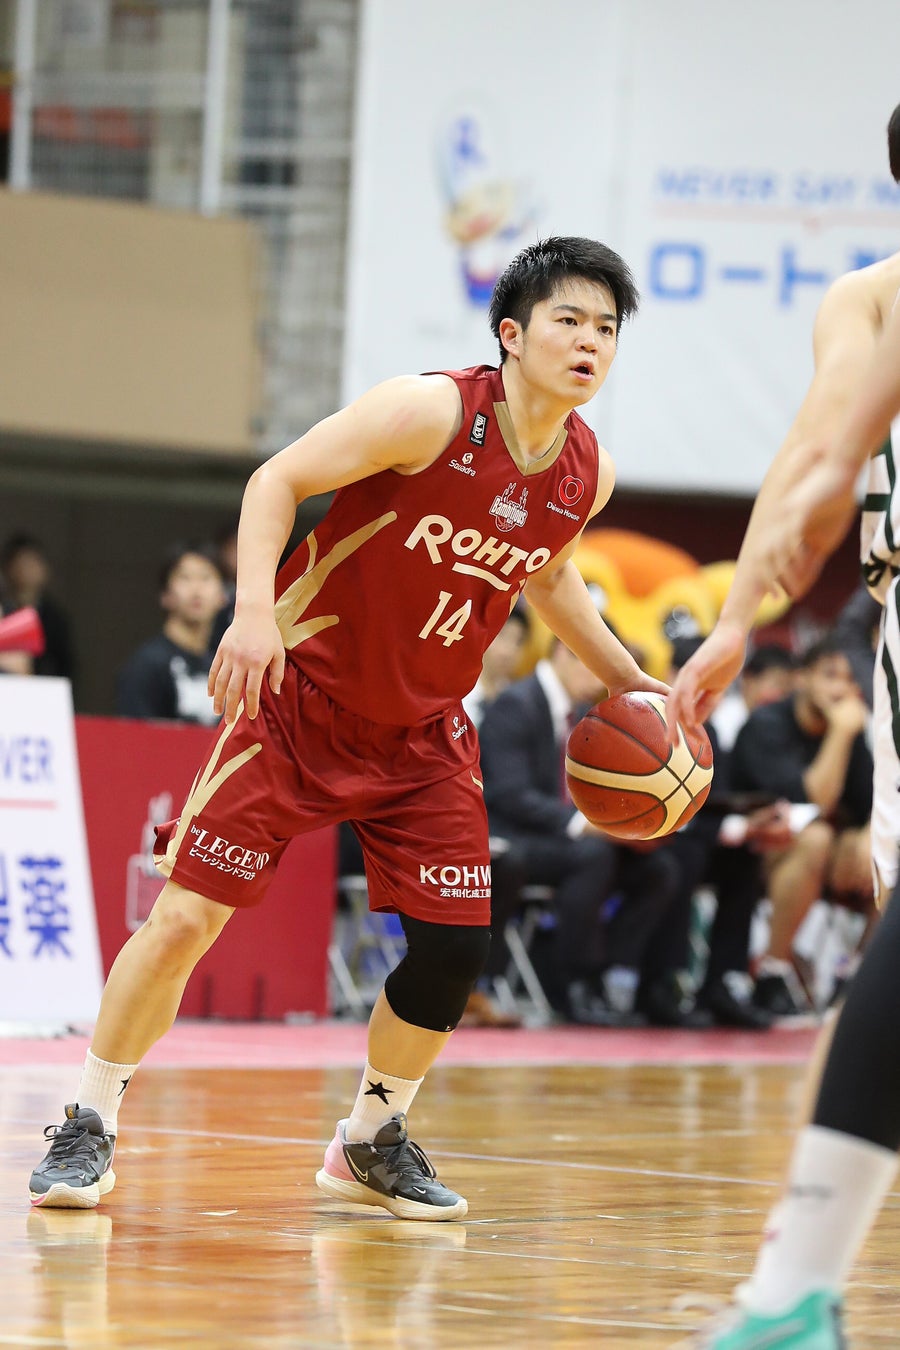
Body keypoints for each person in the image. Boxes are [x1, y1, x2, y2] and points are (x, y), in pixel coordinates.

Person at [29, 235, 667, 1220]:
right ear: (511, 333)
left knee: (455, 949)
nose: (591, 342)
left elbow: (547, 574)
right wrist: (251, 612)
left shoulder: (589, 473)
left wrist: (631, 684)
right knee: (186, 920)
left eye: (608, 328)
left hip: (424, 736)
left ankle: (370, 1137)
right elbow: (275, 481)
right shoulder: (430, 412)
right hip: (299, 704)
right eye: (569, 320)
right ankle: (89, 1120)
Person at [667, 105, 900, 1350]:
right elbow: (817, 452)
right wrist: (735, 620)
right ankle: (794, 1287)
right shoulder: (874, 297)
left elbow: (823, 458)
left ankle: (791, 1291)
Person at [479, 636, 683, 1026]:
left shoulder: (582, 711)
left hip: (561, 838)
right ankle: (571, 981)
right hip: (511, 837)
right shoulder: (516, 703)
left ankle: (610, 975)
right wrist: (589, 825)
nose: (600, 680)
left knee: (659, 869)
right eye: (595, 666)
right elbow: (509, 794)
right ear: (563, 651)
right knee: (593, 856)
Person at [730, 635, 873, 1019]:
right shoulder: (767, 725)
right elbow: (810, 805)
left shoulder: (851, 729)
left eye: (851, 680)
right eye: (830, 675)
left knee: (886, 851)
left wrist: (869, 836)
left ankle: (858, 976)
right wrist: (841, 734)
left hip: (821, 865)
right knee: (816, 838)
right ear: (803, 678)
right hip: (749, 855)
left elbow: (871, 806)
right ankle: (772, 973)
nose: (841, 689)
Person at [116, 542, 227, 725]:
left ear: (223, 596)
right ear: (165, 595)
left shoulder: (225, 664)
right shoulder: (146, 666)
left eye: (206, 578)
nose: (196, 589)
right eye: (185, 578)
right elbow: (134, 735)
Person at [0, 533, 76, 682]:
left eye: (32, 564)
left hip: (42, 686)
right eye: (21, 564)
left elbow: (65, 664)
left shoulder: (55, 618)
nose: (26, 572)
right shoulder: (6, 610)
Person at [709, 641, 797, 752]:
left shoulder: (779, 724)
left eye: (786, 689)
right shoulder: (722, 717)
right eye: (776, 684)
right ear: (749, 678)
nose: (779, 695)